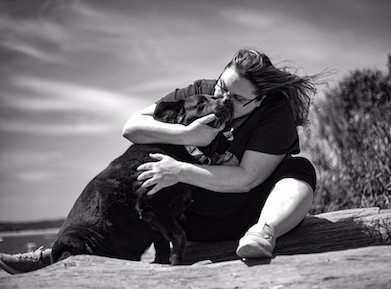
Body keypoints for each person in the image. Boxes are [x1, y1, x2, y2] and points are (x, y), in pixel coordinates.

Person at [0, 49, 320, 274]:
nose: (223, 100)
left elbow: (246, 179)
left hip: (243, 216)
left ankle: (264, 234)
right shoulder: (201, 94)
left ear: (260, 99)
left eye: (237, 99)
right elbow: (132, 127)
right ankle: (63, 253)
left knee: (299, 168)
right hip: (189, 221)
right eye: (222, 87)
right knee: (138, 177)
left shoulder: (274, 114)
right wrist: (188, 136)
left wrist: (179, 169)